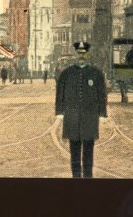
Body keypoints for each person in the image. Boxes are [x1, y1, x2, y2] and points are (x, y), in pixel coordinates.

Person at [55, 41, 108, 178]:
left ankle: (88, 177)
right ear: (74, 54)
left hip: (90, 118)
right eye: (79, 53)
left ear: (88, 54)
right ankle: (76, 177)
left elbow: (102, 94)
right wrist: (59, 112)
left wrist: (102, 113)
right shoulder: (66, 74)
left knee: (89, 150)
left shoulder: (96, 74)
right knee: (74, 151)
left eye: (84, 53)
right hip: (72, 118)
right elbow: (60, 93)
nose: (81, 56)